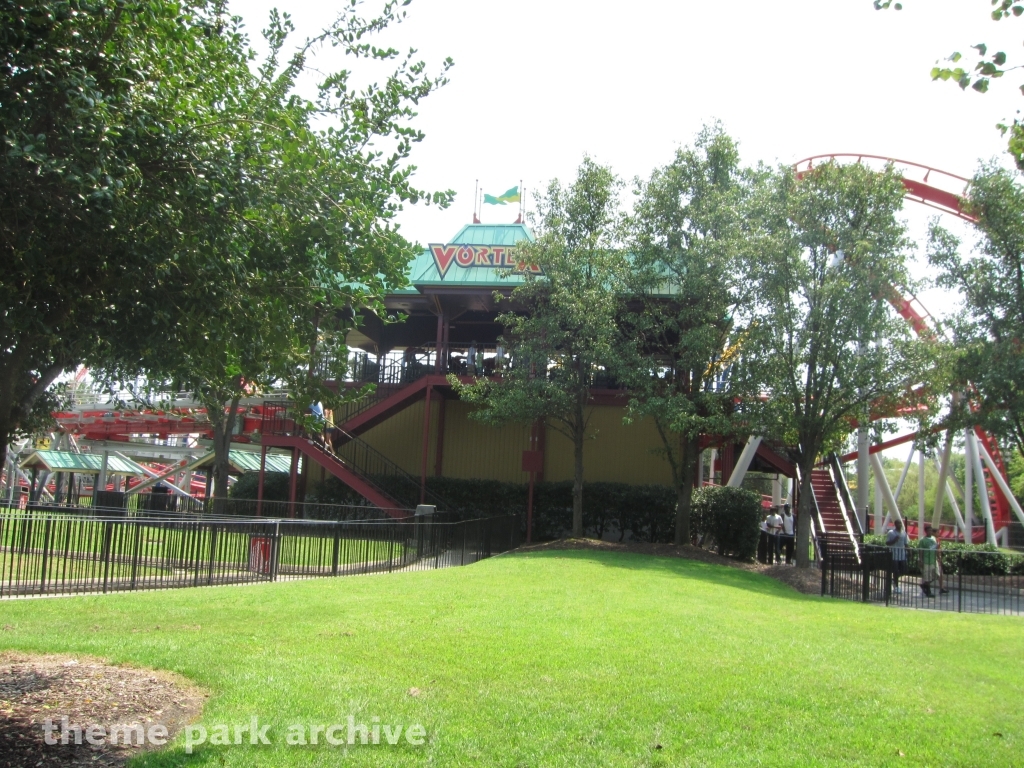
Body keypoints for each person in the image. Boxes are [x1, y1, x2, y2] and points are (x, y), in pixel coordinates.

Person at [885, 518, 908, 597]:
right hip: (894, 554)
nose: (899, 525)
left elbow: (906, 543)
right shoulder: (891, 533)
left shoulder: (904, 533)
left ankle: (894, 579)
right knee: (895, 570)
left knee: (903, 570)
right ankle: (896, 586)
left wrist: (909, 551)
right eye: (898, 523)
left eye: (900, 523)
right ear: (895, 524)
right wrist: (894, 540)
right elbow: (887, 543)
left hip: (902, 555)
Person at [919, 524, 939, 598]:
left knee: (936, 575)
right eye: (929, 530)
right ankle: (928, 592)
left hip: (933, 560)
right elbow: (920, 551)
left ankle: (924, 585)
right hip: (926, 561)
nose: (930, 531)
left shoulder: (934, 538)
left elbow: (936, 548)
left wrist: (938, 558)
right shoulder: (922, 540)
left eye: (931, 530)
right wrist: (920, 560)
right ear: (926, 531)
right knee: (928, 577)